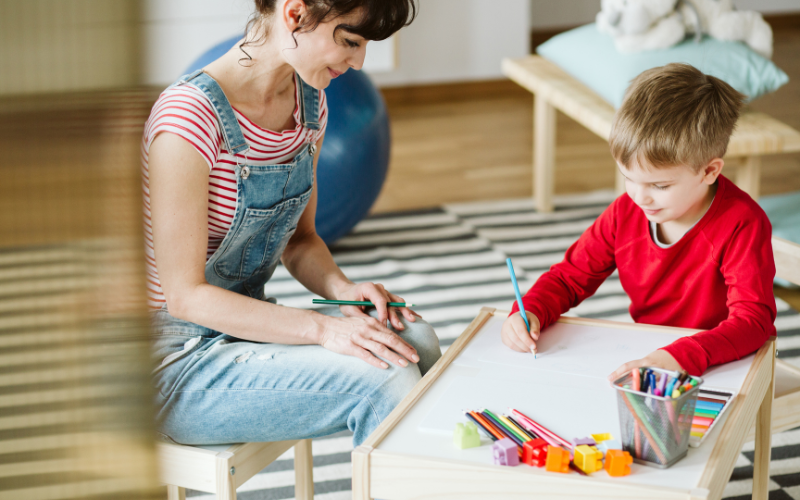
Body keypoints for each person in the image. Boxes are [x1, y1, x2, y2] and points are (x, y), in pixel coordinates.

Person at [144, 0, 441, 447]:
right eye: (349, 41)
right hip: (175, 365)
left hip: (246, 330)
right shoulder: (188, 120)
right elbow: (185, 298)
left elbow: (301, 241)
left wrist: (344, 292)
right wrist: (323, 329)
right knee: (383, 378)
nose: (359, 62)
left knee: (416, 340)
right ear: (295, 14)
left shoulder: (310, 104)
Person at [500, 63, 776, 379]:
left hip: (724, 362)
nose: (640, 197)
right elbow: (570, 277)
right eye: (629, 178)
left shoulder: (742, 223)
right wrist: (531, 311)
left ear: (709, 171)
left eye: (660, 186)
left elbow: (753, 322)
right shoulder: (625, 212)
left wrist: (679, 356)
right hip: (656, 359)